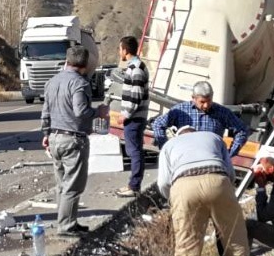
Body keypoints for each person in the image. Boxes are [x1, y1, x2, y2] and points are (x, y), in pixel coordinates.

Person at [157, 126, 254, 256]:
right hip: (217, 179)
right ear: (195, 132)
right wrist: (225, 190)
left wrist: (174, 199)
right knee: (234, 234)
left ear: (178, 135)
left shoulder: (169, 145)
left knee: (187, 241)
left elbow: (163, 182)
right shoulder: (213, 137)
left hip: (184, 186)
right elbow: (230, 171)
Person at [40, 45, 106, 236]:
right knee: (73, 185)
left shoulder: (52, 82)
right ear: (85, 65)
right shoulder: (80, 83)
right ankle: (66, 226)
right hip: (73, 140)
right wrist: (99, 112)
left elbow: (45, 113)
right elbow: (80, 111)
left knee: (62, 184)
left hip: (55, 137)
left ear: (66, 61)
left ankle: (68, 221)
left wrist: (46, 134)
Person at [151, 80, 250, 159]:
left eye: (209, 100)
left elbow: (242, 130)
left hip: (211, 159)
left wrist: (230, 154)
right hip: (184, 158)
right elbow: (158, 124)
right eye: (202, 102)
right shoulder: (180, 110)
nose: (206, 105)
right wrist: (165, 148)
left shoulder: (222, 112)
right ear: (193, 98)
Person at [107, 35, 149, 197]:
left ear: (125, 50)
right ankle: (133, 184)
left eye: (120, 49)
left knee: (134, 151)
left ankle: (134, 186)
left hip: (134, 117)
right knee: (135, 150)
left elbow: (136, 95)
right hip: (135, 116)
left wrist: (126, 114)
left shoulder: (136, 69)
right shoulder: (134, 67)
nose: (119, 52)